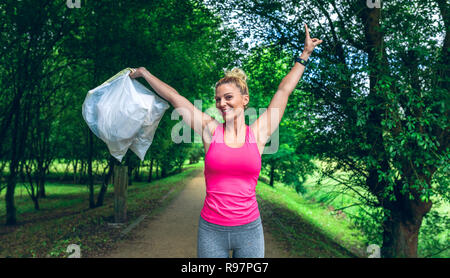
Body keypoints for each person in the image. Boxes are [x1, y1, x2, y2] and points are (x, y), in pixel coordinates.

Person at [129, 23, 322, 258]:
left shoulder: (259, 133)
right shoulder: (210, 130)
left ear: (245, 99)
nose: (222, 103)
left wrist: (305, 55)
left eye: (228, 97)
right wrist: (146, 74)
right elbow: (175, 98)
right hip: (211, 230)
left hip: (250, 230)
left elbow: (283, 91)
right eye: (218, 99)